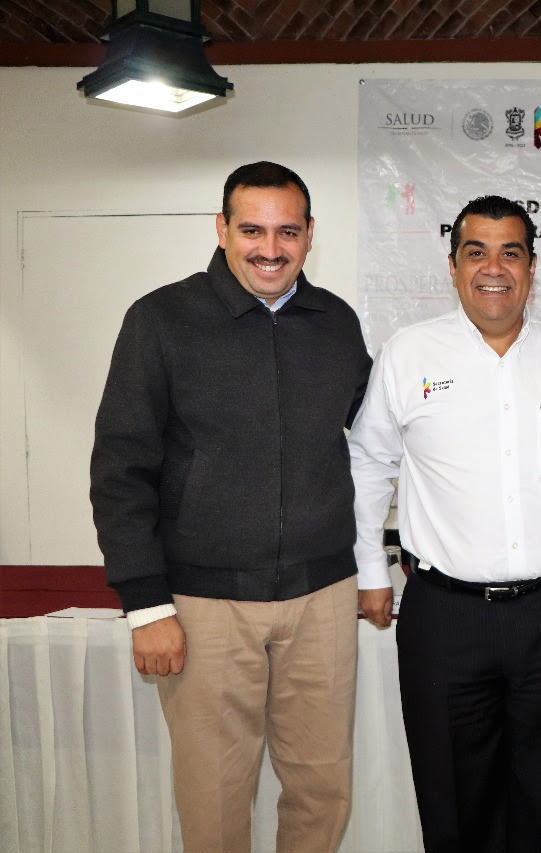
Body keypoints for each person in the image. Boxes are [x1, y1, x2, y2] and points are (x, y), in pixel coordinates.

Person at [89, 161, 372, 852]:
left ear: (310, 235)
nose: (270, 249)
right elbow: (121, 469)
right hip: (203, 605)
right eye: (252, 230)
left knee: (323, 790)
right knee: (213, 799)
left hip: (322, 596)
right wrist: (146, 605)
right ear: (221, 229)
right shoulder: (161, 319)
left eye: (287, 232)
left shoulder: (336, 323)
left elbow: (379, 443)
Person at [349, 195, 541, 853]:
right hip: (445, 616)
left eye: (510, 253)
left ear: (531, 267)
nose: (493, 268)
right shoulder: (409, 354)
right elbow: (368, 463)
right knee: (453, 807)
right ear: (453, 265)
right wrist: (370, 569)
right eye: (476, 252)